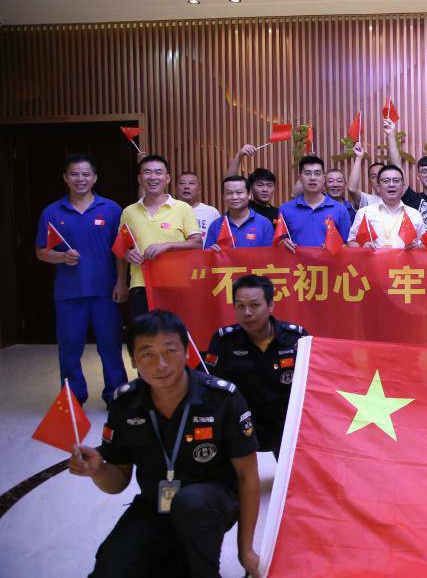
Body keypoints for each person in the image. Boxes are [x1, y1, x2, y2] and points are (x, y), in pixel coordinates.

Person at [68, 310, 262, 578]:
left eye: (170, 351)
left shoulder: (222, 398)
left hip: (210, 504)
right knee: (109, 571)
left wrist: (245, 550)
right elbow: (118, 482)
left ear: (186, 351)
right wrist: (98, 470)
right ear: (133, 359)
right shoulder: (126, 403)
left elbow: (247, 476)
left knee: (191, 505)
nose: (161, 364)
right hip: (155, 505)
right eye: (147, 354)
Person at [35, 154, 127, 406]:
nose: (80, 179)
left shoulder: (111, 209)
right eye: (74, 174)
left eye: (86, 174)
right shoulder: (52, 212)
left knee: (110, 347)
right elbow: (41, 251)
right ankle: (73, 398)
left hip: (105, 292)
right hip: (69, 293)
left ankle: (116, 396)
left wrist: (121, 283)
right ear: (65, 178)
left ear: (95, 178)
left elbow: (120, 251)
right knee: (69, 349)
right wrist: (61, 257)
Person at [205, 275, 307, 457]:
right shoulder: (223, 341)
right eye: (240, 306)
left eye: (254, 305)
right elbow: (213, 389)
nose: (247, 313)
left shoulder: (295, 338)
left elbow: (310, 387)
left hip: (287, 427)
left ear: (270, 306)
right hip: (242, 426)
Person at [120, 155, 202, 318]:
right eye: (147, 172)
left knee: (175, 332)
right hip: (140, 285)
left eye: (158, 172)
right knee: (144, 332)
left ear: (167, 178)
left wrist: (167, 246)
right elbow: (121, 248)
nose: (153, 177)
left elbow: (197, 243)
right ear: (139, 179)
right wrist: (126, 255)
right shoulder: (129, 212)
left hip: (175, 284)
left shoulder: (183, 208)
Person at [277, 155, 351, 250]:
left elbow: (346, 245)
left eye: (317, 173)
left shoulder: (340, 210)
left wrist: (335, 246)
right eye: (307, 173)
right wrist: (282, 243)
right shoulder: (285, 209)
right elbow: (278, 243)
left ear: (323, 178)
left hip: (328, 260)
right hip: (295, 260)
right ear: (300, 178)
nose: (313, 178)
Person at [348, 164, 425, 249]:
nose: (391, 184)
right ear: (378, 187)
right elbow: (351, 242)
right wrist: (361, 246)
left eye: (396, 181)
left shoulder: (414, 214)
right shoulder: (364, 213)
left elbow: (423, 245)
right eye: (386, 181)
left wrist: (418, 247)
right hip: (373, 258)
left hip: (406, 258)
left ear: (403, 186)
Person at [204, 176, 274, 250]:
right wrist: (210, 252)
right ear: (224, 196)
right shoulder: (216, 225)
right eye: (229, 193)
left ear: (249, 195)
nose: (234, 197)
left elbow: (270, 254)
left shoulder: (264, 223)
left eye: (239, 192)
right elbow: (207, 255)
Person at [226, 144, 279, 224]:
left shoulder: (278, 213)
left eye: (269, 185)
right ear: (250, 188)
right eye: (260, 185)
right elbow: (228, 183)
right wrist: (239, 156)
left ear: (274, 188)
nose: (265, 190)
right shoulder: (243, 207)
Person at [176, 171, 221, 239]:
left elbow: (219, 238)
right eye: (182, 183)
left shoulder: (211, 212)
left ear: (199, 189)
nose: (186, 186)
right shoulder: (169, 210)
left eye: (191, 183)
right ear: (176, 188)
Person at [346, 140, 383, 209]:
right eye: (373, 177)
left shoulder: (398, 197)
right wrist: (359, 157)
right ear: (370, 182)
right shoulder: (368, 200)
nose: (378, 179)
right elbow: (352, 189)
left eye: (381, 174)